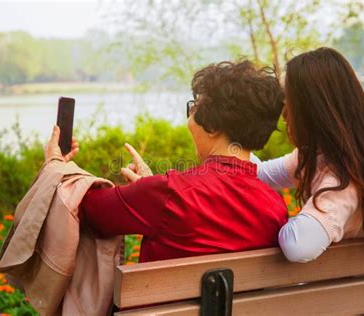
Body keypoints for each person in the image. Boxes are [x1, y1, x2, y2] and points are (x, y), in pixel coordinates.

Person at [44, 60, 288, 263]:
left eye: (193, 109)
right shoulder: (275, 207)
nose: (190, 119)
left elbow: (82, 208)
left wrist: (56, 163)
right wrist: (148, 188)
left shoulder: (169, 192)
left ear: (212, 125)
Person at [252, 47, 364, 263]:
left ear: (311, 109)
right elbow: (259, 174)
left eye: (288, 100)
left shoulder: (343, 177)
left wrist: (262, 222)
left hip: (352, 294)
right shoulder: (328, 156)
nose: (284, 113)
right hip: (361, 289)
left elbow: (299, 247)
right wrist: (232, 139)